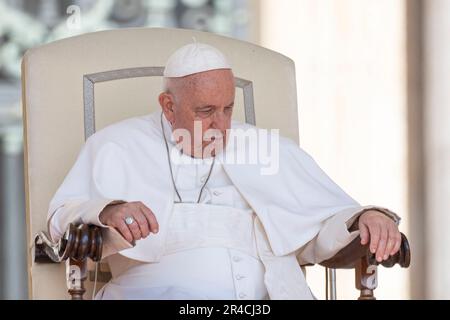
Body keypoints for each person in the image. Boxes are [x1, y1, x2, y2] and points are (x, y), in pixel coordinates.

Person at [47, 42, 401, 300]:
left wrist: (366, 216)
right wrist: (109, 210)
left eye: (228, 108)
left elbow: (324, 221)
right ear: (168, 106)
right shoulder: (116, 145)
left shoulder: (268, 149)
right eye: (205, 111)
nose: (221, 124)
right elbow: (61, 219)